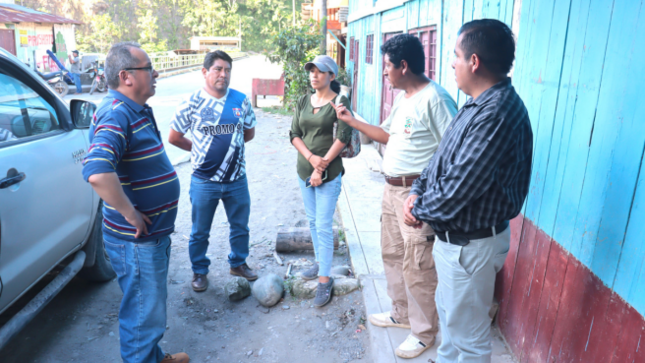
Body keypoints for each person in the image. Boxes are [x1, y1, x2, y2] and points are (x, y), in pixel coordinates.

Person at [403, 19, 533, 363]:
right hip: (457, 244)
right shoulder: (476, 104)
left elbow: (458, 188)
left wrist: (417, 208)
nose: (452, 64)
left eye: (456, 56)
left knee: (470, 343)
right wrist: (417, 190)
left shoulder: (497, 113)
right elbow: (440, 159)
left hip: (470, 246)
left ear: (474, 62)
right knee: (452, 327)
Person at [332, 34, 458, 359]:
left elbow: (455, 152)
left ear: (403, 66)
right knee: (391, 255)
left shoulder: (436, 100)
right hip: (390, 189)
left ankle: (423, 332)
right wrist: (351, 121)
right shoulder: (404, 98)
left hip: (416, 194)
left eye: (387, 66)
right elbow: (385, 134)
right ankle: (400, 313)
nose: (384, 72)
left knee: (418, 265)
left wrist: (429, 195)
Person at [82, 42, 188, 363]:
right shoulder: (117, 115)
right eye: (148, 68)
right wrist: (130, 214)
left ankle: (154, 358)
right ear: (127, 76)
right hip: (137, 242)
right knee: (143, 314)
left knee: (149, 307)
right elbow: (97, 171)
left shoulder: (132, 110)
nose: (155, 73)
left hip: (148, 239)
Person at [169, 50, 258, 292]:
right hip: (204, 181)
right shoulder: (192, 102)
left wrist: (231, 149)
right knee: (200, 231)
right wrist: (198, 150)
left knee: (240, 226)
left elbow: (248, 133)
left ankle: (238, 263)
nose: (223, 74)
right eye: (218, 69)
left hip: (237, 179)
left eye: (227, 70)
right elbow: (174, 137)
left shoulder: (240, 100)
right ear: (205, 72)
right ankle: (199, 271)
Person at [289, 55, 353, 308]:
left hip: (329, 172)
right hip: (303, 170)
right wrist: (311, 158)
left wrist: (321, 164)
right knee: (313, 221)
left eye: (320, 71)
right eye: (311, 71)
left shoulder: (339, 101)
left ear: (332, 76)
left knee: (324, 225)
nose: (314, 75)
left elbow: (344, 136)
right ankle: (320, 260)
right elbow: (294, 133)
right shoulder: (304, 100)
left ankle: (325, 280)